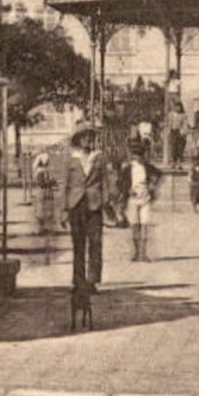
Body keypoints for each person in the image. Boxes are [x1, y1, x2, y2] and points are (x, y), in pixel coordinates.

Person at [59, 122, 117, 295]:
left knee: (96, 244)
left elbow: (106, 182)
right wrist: (63, 210)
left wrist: (107, 203)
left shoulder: (99, 157)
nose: (87, 140)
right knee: (78, 245)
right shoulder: (71, 158)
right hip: (76, 205)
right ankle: (78, 281)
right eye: (84, 137)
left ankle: (92, 281)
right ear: (78, 139)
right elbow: (65, 185)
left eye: (90, 137)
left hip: (94, 205)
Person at [120, 137, 162, 261]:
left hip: (145, 197)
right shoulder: (128, 168)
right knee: (134, 226)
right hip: (133, 199)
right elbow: (121, 182)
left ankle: (143, 254)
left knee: (144, 225)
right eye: (136, 154)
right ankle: (136, 252)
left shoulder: (148, 167)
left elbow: (159, 175)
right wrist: (127, 189)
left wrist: (152, 186)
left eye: (140, 155)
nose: (138, 157)